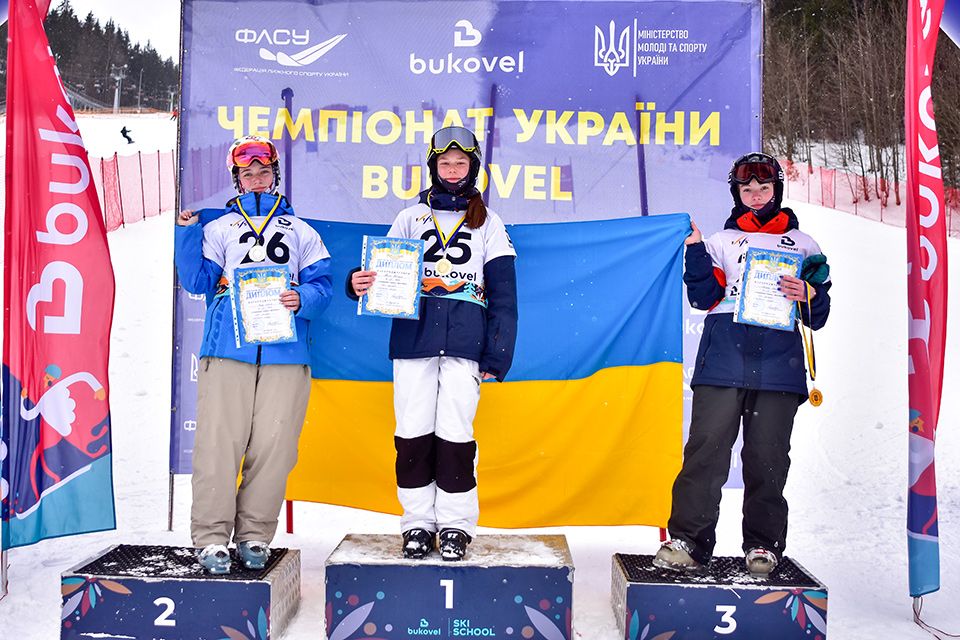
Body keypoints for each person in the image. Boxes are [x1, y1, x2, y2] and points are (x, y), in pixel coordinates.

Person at [653, 152, 831, 577]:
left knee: (767, 458)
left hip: (779, 366)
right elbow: (704, 298)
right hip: (723, 360)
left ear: (777, 190)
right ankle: (688, 541)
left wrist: (808, 294)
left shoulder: (805, 245)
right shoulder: (719, 241)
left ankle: (764, 546)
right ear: (736, 192)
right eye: (746, 189)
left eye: (763, 188)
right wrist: (695, 251)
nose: (755, 196)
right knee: (705, 453)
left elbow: (818, 316)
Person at [349, 126, 518, 561]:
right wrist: (358, 284)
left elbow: (504, 295)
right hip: (414, 341)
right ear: (433, 167)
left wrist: (497, 354)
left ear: (474, 167)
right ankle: (418, 524)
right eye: (445, 163)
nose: (453, 170)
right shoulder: (410, 217)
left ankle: (457, 526)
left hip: (466, 344)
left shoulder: (489, 222)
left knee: (456, 435)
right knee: (412, 434)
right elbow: (381, 274)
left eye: (461, 163)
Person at [174, 135, 333, 574]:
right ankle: (210, 538)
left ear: (275, 175)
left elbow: (323, 287)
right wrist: (187, 235)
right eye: (248, 174)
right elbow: (198, 282)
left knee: (275, 448)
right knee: (218, 445)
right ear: (237, 180)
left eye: (264, 172)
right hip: (228, 350)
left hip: (286, 354)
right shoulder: (218, 227)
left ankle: (255, 535)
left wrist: (302, 299)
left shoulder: (302, 232)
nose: (257, 179)